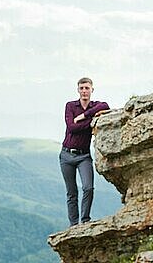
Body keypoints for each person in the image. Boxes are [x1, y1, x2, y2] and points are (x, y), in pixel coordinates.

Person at [59, 77, 109, 227]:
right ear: (78, 90)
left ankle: (85, 220)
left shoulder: (95, 106)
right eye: (81, 88)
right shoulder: (70, 106)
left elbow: (106, 105)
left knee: (88, 187)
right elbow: (71, 127)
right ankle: (74, 225)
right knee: (71, 192)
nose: (84, 91)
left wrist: (84, 116)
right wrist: (91, 121)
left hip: (83, 156)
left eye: (87, 88)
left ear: (92, 90)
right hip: (66, 155)